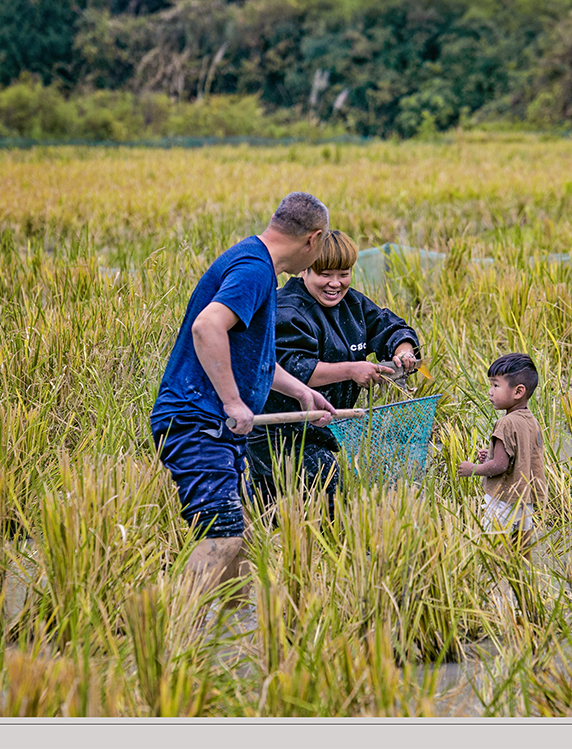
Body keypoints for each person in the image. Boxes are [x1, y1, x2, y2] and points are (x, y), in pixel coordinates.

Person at [150, 191, 337, 596]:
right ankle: (169, 632)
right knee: (223, 534)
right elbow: (207, 327)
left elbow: (253, 358)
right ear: (313, 239)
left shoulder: (255, 263)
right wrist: (233, 402)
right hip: (198, 421)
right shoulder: (254, 268)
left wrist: (302, 391)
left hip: (218, 427)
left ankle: (226, 641)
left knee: (244, 543)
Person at [246, 230, 420, 518]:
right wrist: (351, 370)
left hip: (321, 429)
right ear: (304, 269)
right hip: (279, 433)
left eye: (344, 274)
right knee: (329, 498)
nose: (335, 284)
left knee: (277, 514)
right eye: (325, 274)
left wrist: (404, 350)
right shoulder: (288, 310)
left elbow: (387, 326)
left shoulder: (353, 303)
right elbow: (293, 370)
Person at [457, 353, 547, 560]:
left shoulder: (505, 423)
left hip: (503, 499)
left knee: (493, 550)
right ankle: (522, 582)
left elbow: (500, 465)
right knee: (521, 549)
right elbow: (520, 457)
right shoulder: (531, 420)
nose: (490, 392)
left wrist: (474, 470)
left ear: (518, 391)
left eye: (496, 386)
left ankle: (496, 585)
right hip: (525, 499)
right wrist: (488, 458)